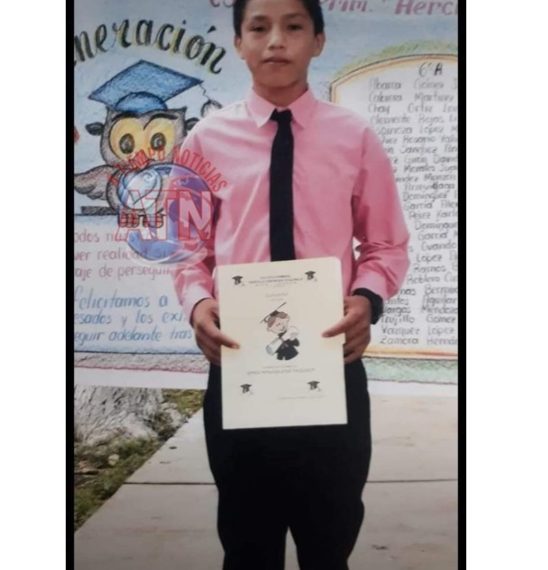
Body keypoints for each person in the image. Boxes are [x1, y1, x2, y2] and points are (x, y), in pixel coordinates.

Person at [171, 0, 410, 567]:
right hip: (239, 365)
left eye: (294, 26)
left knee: (329, 543)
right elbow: (186, 249)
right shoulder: (204, 142)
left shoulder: (354, 137)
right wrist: (199, 305)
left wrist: (367, 300)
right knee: (247, 544)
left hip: (330, 363)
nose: (276, 40)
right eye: (259, 27)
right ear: (238, 43)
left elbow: (386, 245)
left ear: (319, 40)